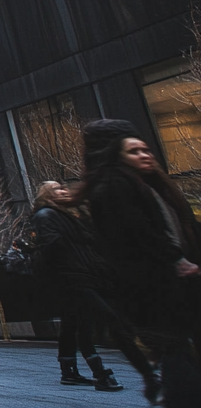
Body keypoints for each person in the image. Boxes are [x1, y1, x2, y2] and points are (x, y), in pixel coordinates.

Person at [83, 121, 201, 406]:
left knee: (178, 350)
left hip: (172, 283)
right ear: (116, 155)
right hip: (156, 287)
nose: (145, 155)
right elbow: (141, 232)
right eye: (134, 151)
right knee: (175, 350)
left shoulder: (153, 186)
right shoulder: (115, 187)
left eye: (145, 149)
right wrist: (176, 259)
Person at [30, 180, 151, 393]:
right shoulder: (46, 216)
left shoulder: (67, 216)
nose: (64, 190)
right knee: (109, 321)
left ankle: (73, 372)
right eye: (57, 188)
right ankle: (114, 373)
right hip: (73, 279)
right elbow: (53, 248)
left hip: (82, 277)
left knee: (77, 325)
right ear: (47, 195)